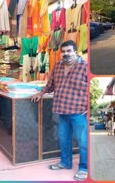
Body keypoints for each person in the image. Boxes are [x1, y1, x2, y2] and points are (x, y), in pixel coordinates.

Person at [31, 40, 87, 181]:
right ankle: (65, 163)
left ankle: (84, 168)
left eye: (69, 51)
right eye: (63, 51)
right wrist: (40, 93)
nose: (66, 54)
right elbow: (50, 85)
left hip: (79, 112)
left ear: (76, 51)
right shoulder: (58, 66)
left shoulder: (85, 67)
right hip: (62, 110)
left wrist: (89, 106)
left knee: (83, 142)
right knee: (63, 139)